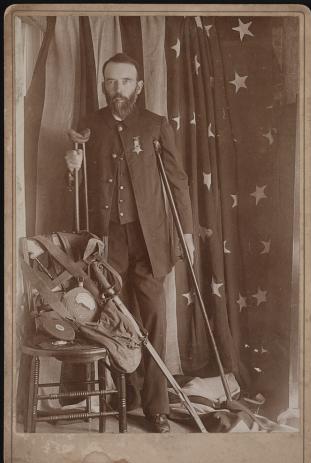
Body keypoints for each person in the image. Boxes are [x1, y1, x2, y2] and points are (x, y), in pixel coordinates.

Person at [65, 53, 194, 433]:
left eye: (124, 81)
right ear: (104, 85)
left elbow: (178, 182)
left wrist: (186, 233)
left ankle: (157, 408)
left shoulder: (155, 125)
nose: (116, 88)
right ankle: (121, 398)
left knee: (152, 320)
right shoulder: (88, 126)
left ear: (138, 86)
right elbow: (74, 189)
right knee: (109, 320)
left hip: (150, 241)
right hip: (106, 243)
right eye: (110, 81)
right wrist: (72, 169)